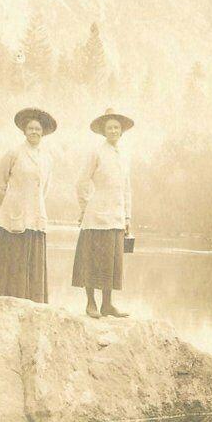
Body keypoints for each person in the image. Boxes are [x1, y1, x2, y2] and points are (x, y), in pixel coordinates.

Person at [0, 107, 57, 304]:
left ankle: (32, 302)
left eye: (38, 129)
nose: (34, 132)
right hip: (12, 218)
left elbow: (45, 189)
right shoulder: (14, 153)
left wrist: (34, 205)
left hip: (35, 216)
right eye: (31, 128)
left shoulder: (47, 158)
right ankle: (5, 301)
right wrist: (8, 205)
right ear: (24, 131)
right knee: (12, 258)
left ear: (43, 133)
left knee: (32, 261)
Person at [72, 108, 134, 319]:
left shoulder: (125, 155)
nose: (113, 131)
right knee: (91, 259)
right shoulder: (96, 152)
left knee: (111, 261)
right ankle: (91, 303)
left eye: (117, 127)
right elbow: (81, 181)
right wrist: (86, 205)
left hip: (116, 216)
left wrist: (127, 217)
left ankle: (107, 305)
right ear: (103, 131)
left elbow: (126, 187)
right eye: (110, 128)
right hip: (96, 215)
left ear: (121, 131)